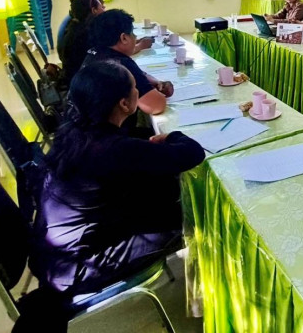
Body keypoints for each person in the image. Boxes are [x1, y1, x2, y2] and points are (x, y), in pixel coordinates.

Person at [30, 61, 205, 297]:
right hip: (77, 268)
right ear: (124, 104)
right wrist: (173, 136)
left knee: (164, 191)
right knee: (192, 212)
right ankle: (209, 292)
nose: (138, 91)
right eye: (135, 87)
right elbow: (192, 153)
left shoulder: (74, 133)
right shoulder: (112, 150)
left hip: (54, 256)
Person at [82, 9, 171, 115]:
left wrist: (155, 82)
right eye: (132, 33)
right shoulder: (121, 65)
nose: (135, 37)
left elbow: (139, 75)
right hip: (103, 126)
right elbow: (156, 106)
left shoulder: (94, 53)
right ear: (124, 38)